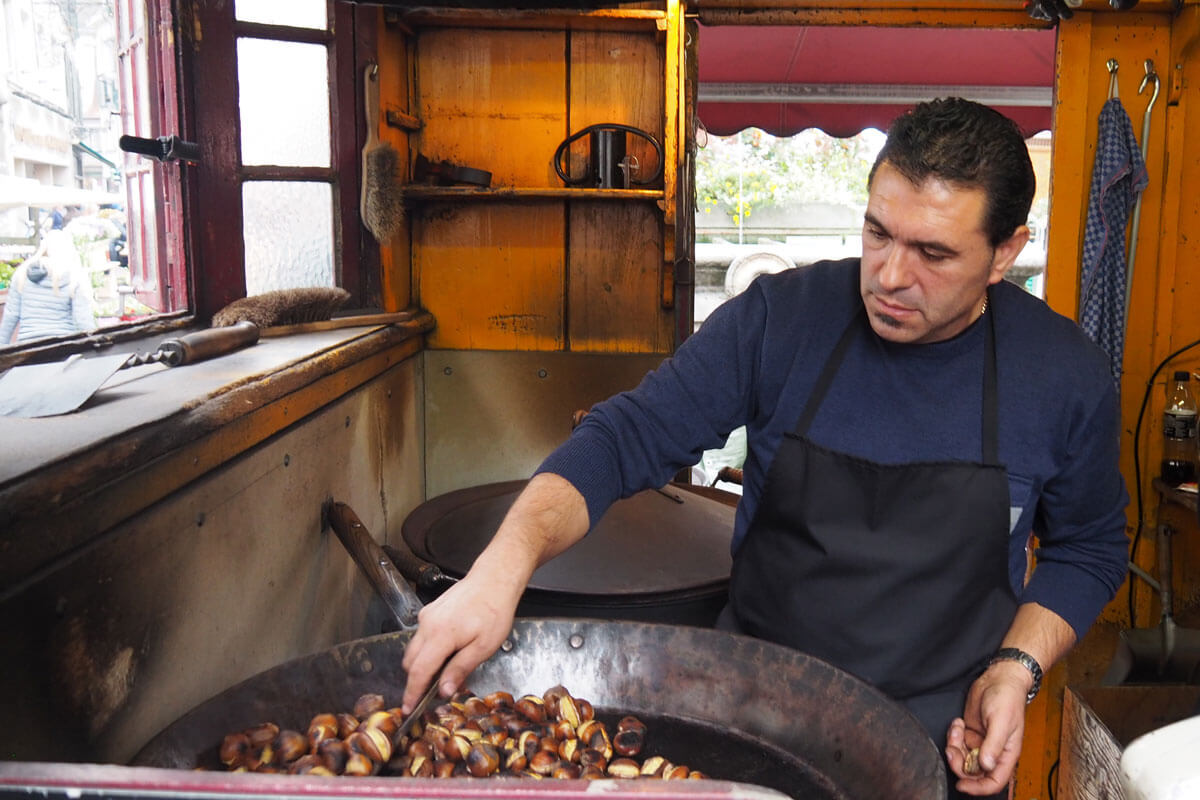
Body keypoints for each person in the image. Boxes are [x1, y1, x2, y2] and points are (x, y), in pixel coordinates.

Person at [397, 98, 1130, 799]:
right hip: (756, 722)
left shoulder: (1061, 375)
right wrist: (502, 567)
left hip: (944, 731)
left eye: (934, 253)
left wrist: (1015, 666)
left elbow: (1088, 548)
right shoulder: (781, 320)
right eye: (878, 233)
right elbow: (625, 438)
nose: (891, 275)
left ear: (1006, 252)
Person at [0, 229, 95, 344]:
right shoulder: (74, 276)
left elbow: (10, 316)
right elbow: (83, 320)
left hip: (27, 345)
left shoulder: (22, 273)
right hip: (62, 344)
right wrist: (95, 342)